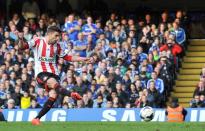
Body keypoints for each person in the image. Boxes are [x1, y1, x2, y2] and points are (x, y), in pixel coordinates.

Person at [18, 25, 91, 125]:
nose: (58, 38)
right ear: (50, 34)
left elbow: (68, 57)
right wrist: (21, 38)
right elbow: (22, 47)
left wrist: (83, 59)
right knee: (53, 83)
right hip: (41, 73)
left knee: (54, 95)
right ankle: (71, 94)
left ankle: (36, 119)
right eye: (56, 36)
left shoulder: (58, 46)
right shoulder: (37, 41)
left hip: (54, 74)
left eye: (59, 36)